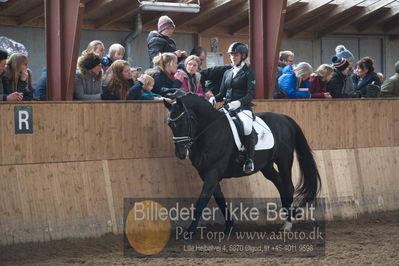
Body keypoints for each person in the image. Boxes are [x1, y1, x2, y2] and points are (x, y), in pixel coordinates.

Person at [215, 42, 256, 174]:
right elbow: (222, 93)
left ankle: (249, 159)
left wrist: (238, 103)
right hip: (227, 107)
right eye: (231, 55)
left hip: (243, 108)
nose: (233, 57)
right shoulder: (227, 72)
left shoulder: (248, 73)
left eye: (236, 55)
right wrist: (214, 99)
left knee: (247, 126)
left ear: (243, 56)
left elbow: (250, 94)